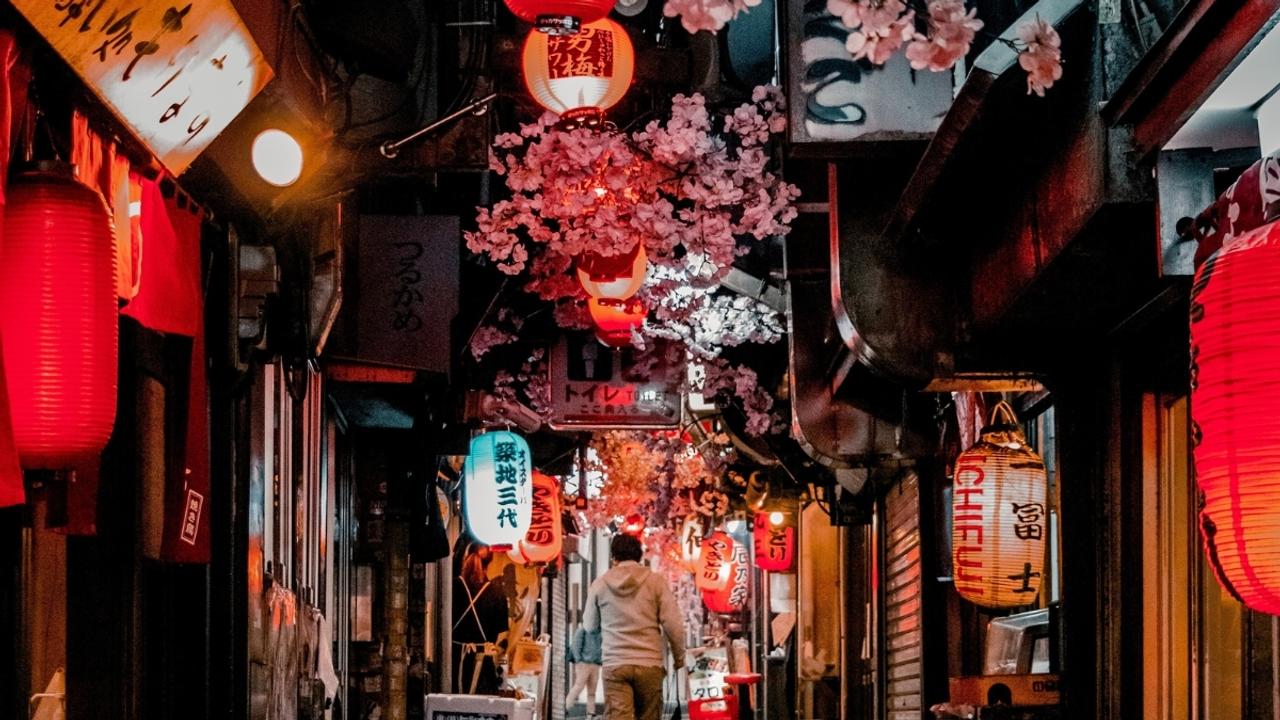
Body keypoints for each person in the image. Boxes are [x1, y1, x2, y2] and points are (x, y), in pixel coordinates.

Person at [584, 534, 687, 720]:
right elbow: (673, 623)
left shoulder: (599, 585)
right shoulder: (655, 582)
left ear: (613, 557)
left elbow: (589, 626)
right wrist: (679, 658)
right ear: (640, 555)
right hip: (649, 663)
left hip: (615, 663)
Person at [566, 625, 603, 718]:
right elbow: (576, 645)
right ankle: (566, 707)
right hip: (584, 663)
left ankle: (590, 714)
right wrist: (578, 660)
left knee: (591, 692)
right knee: (579, 686)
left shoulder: (600, 631)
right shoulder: (583, 629)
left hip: (595, 664)